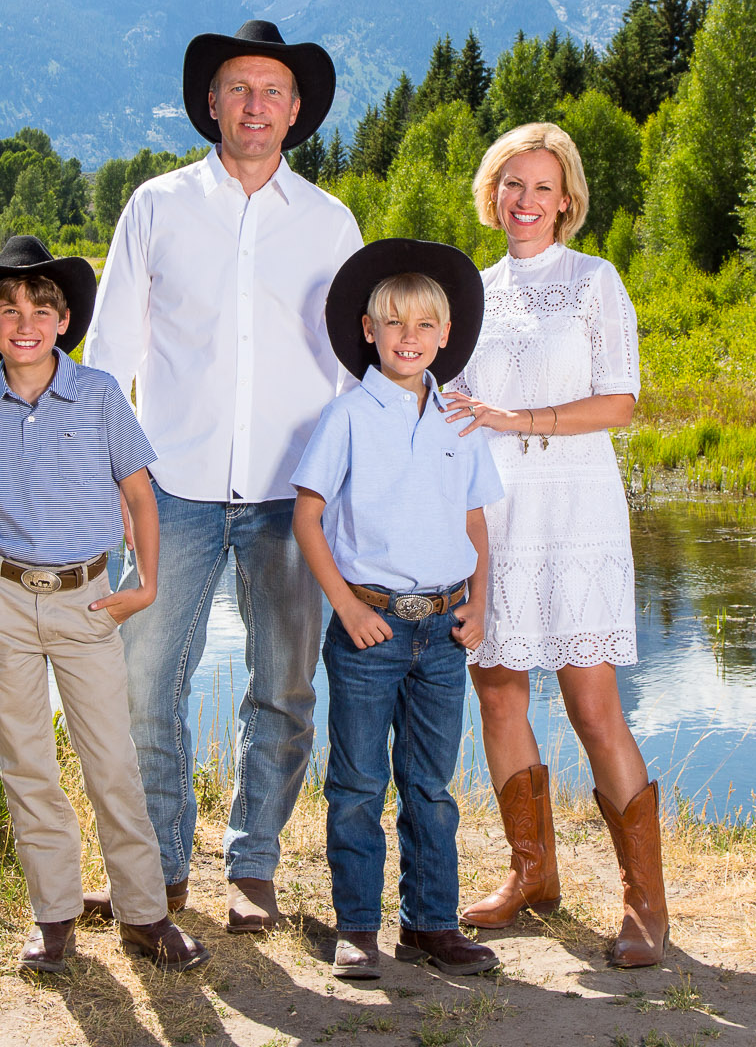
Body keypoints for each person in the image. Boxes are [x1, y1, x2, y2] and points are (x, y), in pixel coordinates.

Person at [82, 20, 364, 931]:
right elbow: (112, 351)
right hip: (173, 490)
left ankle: (253, 864)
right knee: (140, 685)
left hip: (294, 498)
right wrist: (115, 485)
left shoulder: (330, 223)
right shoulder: (157, 207)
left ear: (295, 113)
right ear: (211, 101)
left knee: (283, 688)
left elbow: (359, 367)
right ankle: (161, 868)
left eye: (272, 92)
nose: (255, 105)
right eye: (239, 88)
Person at [0, 235, 207, 976]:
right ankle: (54, 918)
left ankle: (144, 915)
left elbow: (139, 492)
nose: (24, 320)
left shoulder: (103, 394)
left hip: (88, 603)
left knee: (112, 759)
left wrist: (141, 585)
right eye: (8, 307)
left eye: (40, 308)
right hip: (6, 605)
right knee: (27, 764)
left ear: (62, 321)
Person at [442, 123, 665, 968]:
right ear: (491, 194)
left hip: (575, 512)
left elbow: (620, 402)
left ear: (566, 199)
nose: (524, 201)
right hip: (494, 519)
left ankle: (645, 905)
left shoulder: (594, 283)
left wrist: (519, 420)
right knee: (498, 694)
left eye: (541, 187)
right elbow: (448, 405)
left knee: (591, 706)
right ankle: (533, 876)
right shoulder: (471, 293)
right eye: (510, 185)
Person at [291, 240, 504, 980]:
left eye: (423, 325)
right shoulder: (348, 416)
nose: (408, 338)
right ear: (368, 332)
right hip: (371, 630)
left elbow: (477, 521)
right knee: (356, 785)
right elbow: (308, 518)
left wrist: (482, 605)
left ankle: (431, 925)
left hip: (444, 629)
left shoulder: (461, 420)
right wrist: (345, 607)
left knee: (431, 787)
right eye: (393, 325)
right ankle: (357, 929)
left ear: (445, 336)